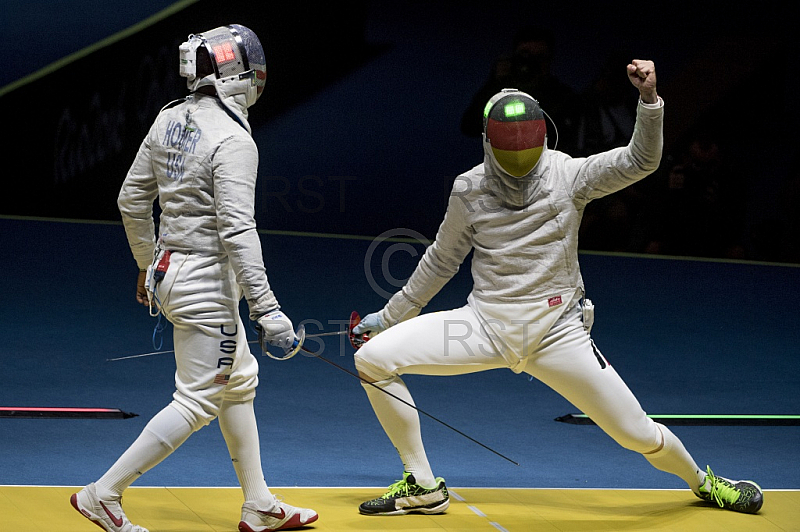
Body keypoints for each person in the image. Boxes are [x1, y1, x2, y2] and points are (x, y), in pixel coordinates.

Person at [352, 59, 763, 516]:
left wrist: (649, 102)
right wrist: (387, 319)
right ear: (488, 143)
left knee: (637, 434)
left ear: (544, 138)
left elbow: (642, 160)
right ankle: (422, 486)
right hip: (482, 329)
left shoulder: (569, 175)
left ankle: (704, 483)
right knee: (373, 360)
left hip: (557, 336)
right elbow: (441, 260)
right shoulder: (468, 189)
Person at [69, 24, 318, 532]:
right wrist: (268, 310)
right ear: (241, 74)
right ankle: (102, 494)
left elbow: (131, 199)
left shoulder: (168, 118)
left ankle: (259, 504)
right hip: (206, 283)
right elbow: (237, 228)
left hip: (168, 272)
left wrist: (144, 262)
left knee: (239, 383)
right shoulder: (233, 137)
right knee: (198, 399)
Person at [460, 25, 581, 155]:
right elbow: (470, 127)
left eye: (539, 57)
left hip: (549, 169)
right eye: (525, 55)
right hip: (504, 168)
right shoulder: (500, 91)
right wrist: (494, 83)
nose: (531, 63)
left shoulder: (563, 96)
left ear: (549, 60)